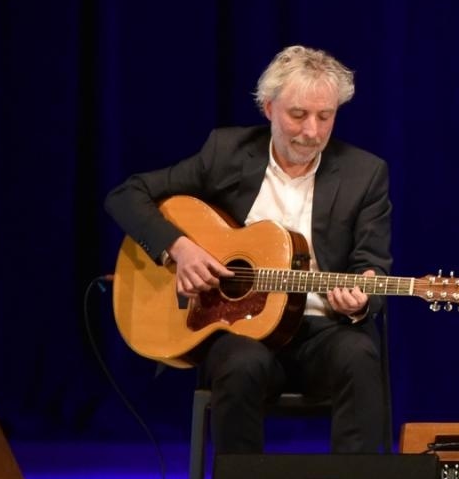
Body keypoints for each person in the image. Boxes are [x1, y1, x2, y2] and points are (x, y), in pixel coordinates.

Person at [105, 44, 390, 454]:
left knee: (360, 357)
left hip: (324, 334)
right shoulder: (226, 153)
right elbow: (126, 196)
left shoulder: (366, 173)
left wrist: (362, 298)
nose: (312, 131)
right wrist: (178, 249)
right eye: (298, 115)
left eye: (324, 117)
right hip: (240, 333)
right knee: (241, 366)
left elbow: (372, 265)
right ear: (269, 108)